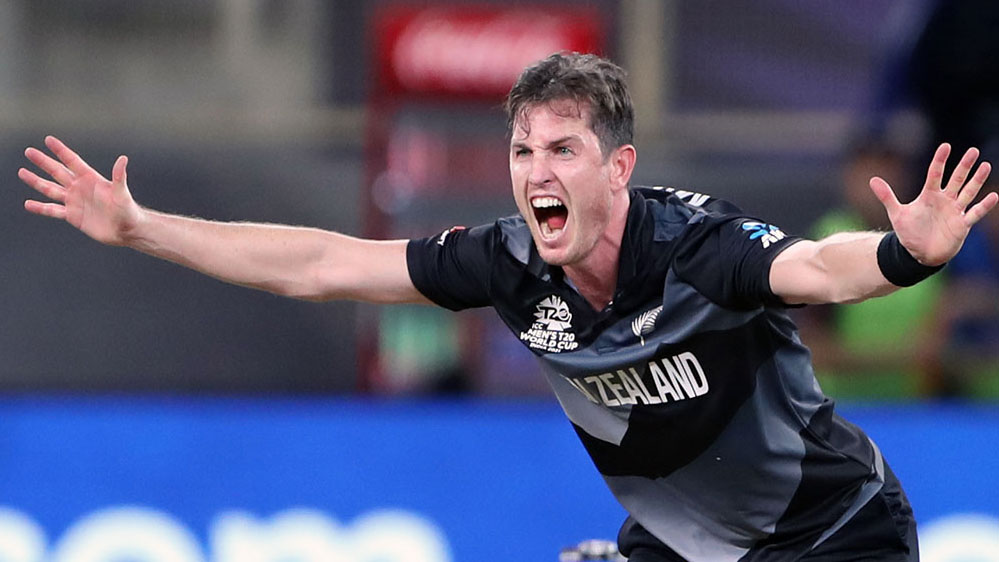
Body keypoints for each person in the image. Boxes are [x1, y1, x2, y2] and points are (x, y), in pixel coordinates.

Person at [17, 53, 997, 561]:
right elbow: (319, 263)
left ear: (618, 166)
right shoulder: (508, 262)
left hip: (834, 531)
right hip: (690, 541)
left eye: (563, 149)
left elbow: (820, 269)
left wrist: (905, 253)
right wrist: (141, 227)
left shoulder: (698, 248)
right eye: (523, 151)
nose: (536, 173)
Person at [797, 139, 946, 399]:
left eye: (888, 168)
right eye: (866, 170)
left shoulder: (933, 234)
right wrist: (900, 358)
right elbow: (813, 344)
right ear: (847, 178)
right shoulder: (825, 237)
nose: (878, 182)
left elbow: (942, 341)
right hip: (843, 406)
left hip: (915, 407)